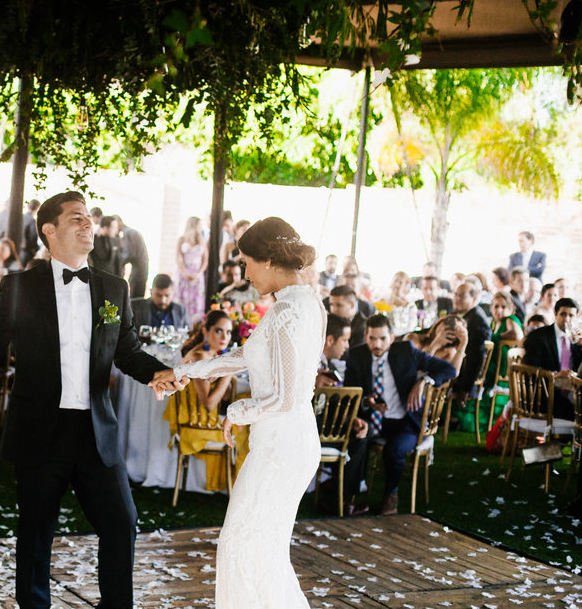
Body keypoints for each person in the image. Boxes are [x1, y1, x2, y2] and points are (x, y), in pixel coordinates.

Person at [0, 191, 169, 608]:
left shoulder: (114, 288)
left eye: (89, 219)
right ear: (49, 230)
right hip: (40, 430)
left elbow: (128, 352)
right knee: (35, 537)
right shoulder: (20, 288)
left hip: (95, 431)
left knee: (122, 523)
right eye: (77, 219)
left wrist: (158, 372)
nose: (89, 225)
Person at [148, 216, 323, 607]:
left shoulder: (288, 312)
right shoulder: (305, 302)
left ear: (270, 259)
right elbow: (246, 356)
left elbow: (286, 397)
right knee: (262, 550)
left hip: (282, 447)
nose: (244, 273)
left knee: (240, 547)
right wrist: (183, 371)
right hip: (288, 442)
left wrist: (238, 410)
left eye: (246, 263)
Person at [344, 314, 456, 515]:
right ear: (365, 336)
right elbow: (350, 390)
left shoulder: (406, 351)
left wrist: (424, 381)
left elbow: (448, 369)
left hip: (406, 422)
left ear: (392, 338)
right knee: (356, 437)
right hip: (373, 420)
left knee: (393, 451)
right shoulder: (356, 355)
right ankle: (348, 498)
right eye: (372, 338)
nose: (377, 344)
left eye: (382, 339)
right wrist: (366, 402)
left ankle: (390, 496)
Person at [315, 313, 369, 516]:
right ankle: (339, 498)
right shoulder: (312, 363)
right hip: (308, 427)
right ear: (330, 340)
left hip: (322, 421)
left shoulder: (324, 362)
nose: (347, 346)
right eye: (345, 340)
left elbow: (331, 401)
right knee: (357, 438)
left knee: (362, 430)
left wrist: (350, 419)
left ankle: (337, 491)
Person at [522, 297, 582, 419]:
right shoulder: (538, 337)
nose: (566, 319)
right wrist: (554, 375)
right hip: (544, 393)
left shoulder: (575, 340)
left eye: (571, 315)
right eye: (563, 314)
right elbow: (530, 369)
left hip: (572, 390)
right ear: (555, 314)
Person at [179, 310, 234, 412]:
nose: (225, 337)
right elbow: (209, 405)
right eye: (218, 331)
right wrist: (230, 371)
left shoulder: (212, 352)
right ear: (205, 331)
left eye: (228, 332)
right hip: (197, 418)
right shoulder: (200, 357)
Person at [449, 280, 491, 406]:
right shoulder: (461, 315)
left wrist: (464, 389)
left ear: (473, 299)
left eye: (461, 295)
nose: (457, 298)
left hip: (463, 379)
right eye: (456, 294)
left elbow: (475, 359)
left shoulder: (477, 322)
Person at [483, 291, 524, 389]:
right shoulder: (493, 323)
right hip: (494, 360)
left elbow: (517, 335)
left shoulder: (510, 319)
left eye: (503, 307)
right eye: (496, 306)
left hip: (504, 366)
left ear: (511, 309)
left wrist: (498, 337)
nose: (499, 310)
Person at [175, 216, 208, 323]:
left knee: (196, 302)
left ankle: (194, 327)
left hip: (197, 275)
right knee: (183, 300)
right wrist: (185, 273)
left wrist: (198, 274)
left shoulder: (201, 240)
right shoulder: (182, 240)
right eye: (199, 225)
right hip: (184, 274)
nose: (201, 227)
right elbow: (178, 259)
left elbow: (205, 260)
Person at [118, 216, 149, 298]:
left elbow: (129, 254)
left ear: (118, 222)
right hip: (141, 268)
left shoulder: (128, 233)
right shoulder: (131, 232)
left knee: (135, 297)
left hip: (138, 270)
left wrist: (119, 263)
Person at [21, 199, 41, 264]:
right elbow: (33, 238)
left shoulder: (21, 217)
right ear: (37, 208)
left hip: (17, 250)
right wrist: (37, 249)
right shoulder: (32, 221)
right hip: (27, 252)